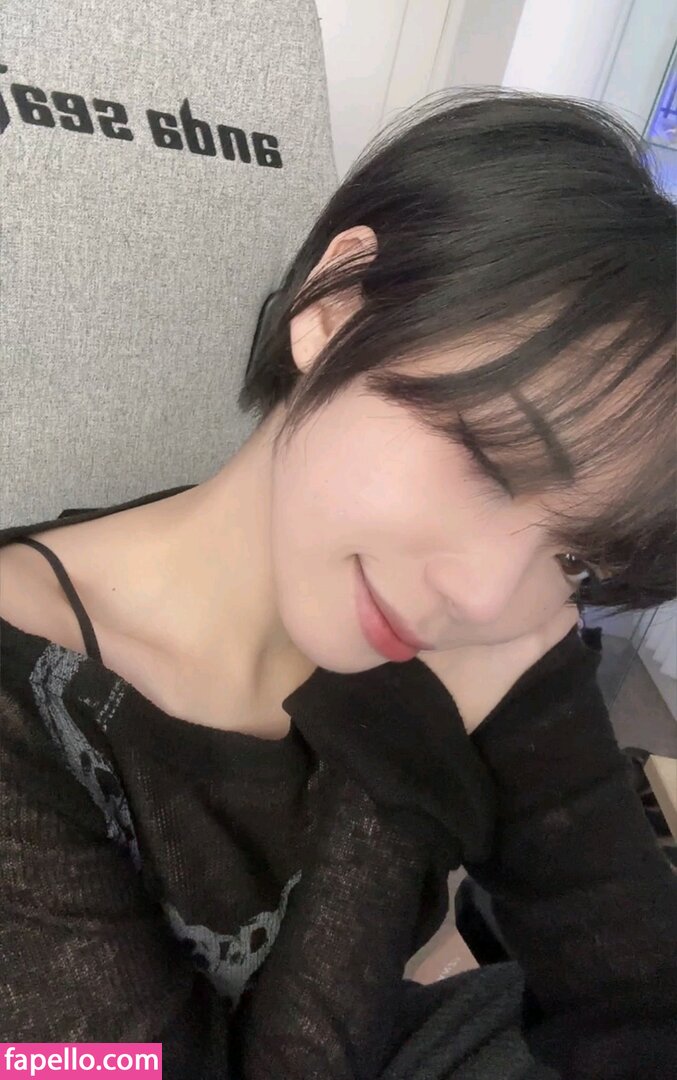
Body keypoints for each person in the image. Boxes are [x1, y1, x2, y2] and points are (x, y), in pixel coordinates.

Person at [0, 88, 675, 1079]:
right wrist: (397, 761)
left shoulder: (491, 626)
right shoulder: (27, 718)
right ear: (335, 302)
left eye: (575, 558)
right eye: (490, 458)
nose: (488, 595)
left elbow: (642, 1004)